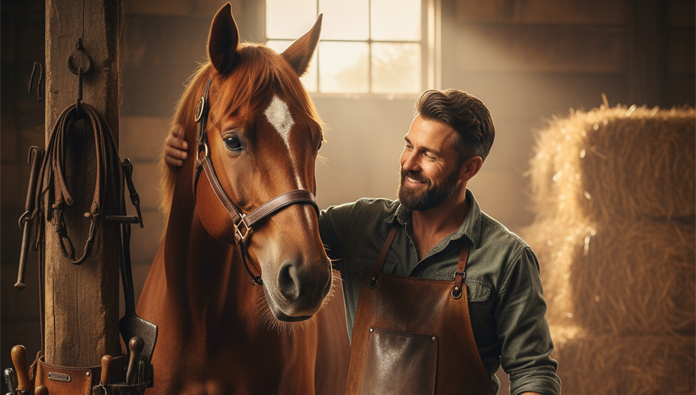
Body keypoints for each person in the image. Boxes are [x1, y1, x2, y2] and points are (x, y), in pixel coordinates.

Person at [164, 89, 561, 395]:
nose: (409, 163)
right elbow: (268, 233)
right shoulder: (360, 225)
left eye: (429, 155)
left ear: (468, 168)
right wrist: (194, 170)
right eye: (408, 145)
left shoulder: (507, 259)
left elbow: (533, 372)